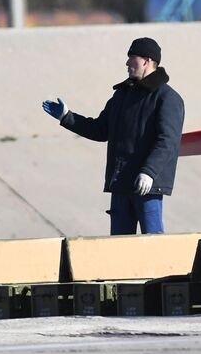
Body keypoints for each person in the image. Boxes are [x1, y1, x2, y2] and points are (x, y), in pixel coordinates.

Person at [42, 37, 183, 234]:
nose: (127, 63)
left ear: (147, 60)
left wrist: (149, 172)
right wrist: (68, 117)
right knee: (118, 248)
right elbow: (100, 129)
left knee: (154, 244)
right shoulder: (122, 95)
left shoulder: (167, 99)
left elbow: (167, 142)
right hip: (121, 183)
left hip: (147, 187)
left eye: (132, 58)